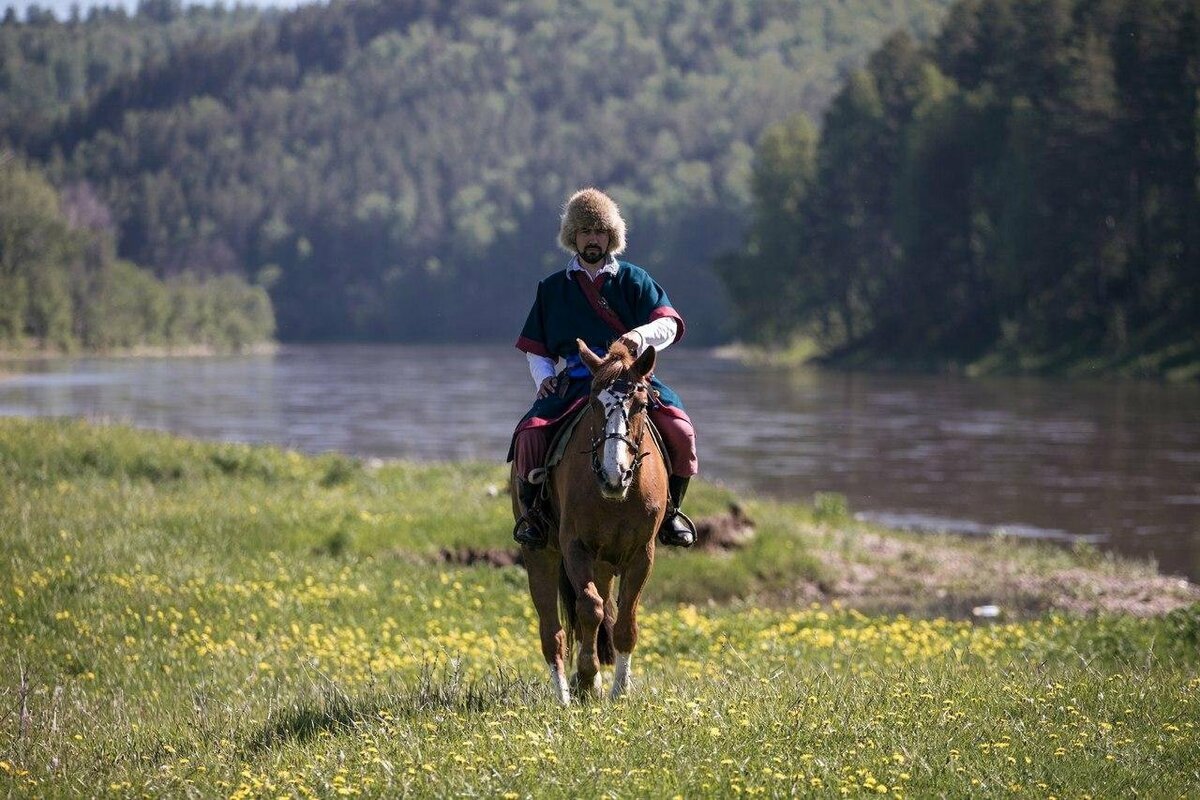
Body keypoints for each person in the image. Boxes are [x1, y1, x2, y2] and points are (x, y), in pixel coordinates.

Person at [509, 187, 699, 549]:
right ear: (573, 237)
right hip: (578, 380)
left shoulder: (635, 279)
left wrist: (637, 338)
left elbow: (669, 324)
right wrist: (545, 379)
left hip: (630, 379)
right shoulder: (552, 289)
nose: (592, 238)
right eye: (585, 231)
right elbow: (537, 347)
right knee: (529, 436)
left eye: (599, 231)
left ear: (611, 236)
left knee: (681, 430)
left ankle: (671, 512)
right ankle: (534, 516)